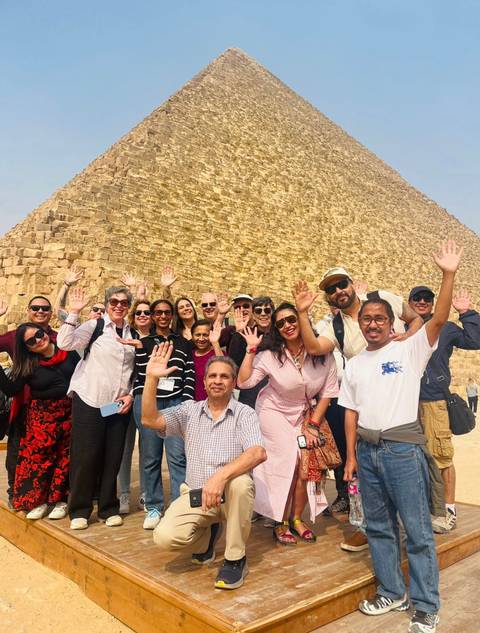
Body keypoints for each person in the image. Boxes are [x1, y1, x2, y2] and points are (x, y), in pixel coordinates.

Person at [340, 240, 463, 633]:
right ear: (360, 324)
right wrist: (351, 457)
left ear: (391, 323)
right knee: (377, 527)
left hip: (402, 451)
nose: (372, 324)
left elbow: (439, 320)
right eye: (367, 319)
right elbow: (351, 411)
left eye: (379, 318)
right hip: (368, 449)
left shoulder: (409, 350)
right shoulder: (355, 364)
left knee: (418, 532)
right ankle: (392, 591)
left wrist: (448, 275)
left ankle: (426, 605)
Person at [293, 270, 423, 552]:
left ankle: (414, 527)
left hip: (398, 394)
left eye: (342, 284)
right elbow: (315, 348)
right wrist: (302, 313)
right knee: (365, 470)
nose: (339, 291)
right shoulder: (335, 325)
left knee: (407, 465)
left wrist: (409, 338)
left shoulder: (382, 299)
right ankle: (368, 528)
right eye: (332, 289)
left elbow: (417, 318)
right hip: (365, 403)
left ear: (352, 283)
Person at [142, 346, 266, 590]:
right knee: (164, 537)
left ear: (233, 383)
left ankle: (235, 559)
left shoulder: (244, 413)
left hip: (230, 496)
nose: (217, 381)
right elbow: (149, 420)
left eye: (224, 376)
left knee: (241, 483)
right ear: (205, 381)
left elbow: (257, 452)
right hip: (197, 495)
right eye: (213, 376)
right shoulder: (189, 411)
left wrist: (220, 477)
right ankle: (208, 538)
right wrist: (151, 379)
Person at [237, 303, 338, 544]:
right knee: (289, 463)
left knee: (305, 464)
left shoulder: (323, 354)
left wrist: (313, 424)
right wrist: (251, 350)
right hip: (273, 412)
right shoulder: (269, 355)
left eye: (291, 319)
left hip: (304, 415)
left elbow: (328, 392)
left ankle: (296, 518)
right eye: (280, 323)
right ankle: (280, 520)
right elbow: (244, 383)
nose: (288, 326)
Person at [57, 286, 136, 530]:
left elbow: (135, 372)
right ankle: (79, 509)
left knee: (112, 456)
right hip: (90, 399)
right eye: (114, 301)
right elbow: (64, 342)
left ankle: (107, 507)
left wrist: (131, 395)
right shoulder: (96, 327)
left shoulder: (133, 333)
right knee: (85, 456)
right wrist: (74, 312)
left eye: (124, 302)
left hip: (116, 404)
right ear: (107, 303)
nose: (119, 305)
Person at [408, 285, 480, 533]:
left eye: (427, 298)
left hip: (434, 402)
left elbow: (474, 341)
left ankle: (448, 509)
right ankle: (426, 507)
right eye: (416, 298)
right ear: (409, 303)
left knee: (441, 457)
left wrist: (467, 312)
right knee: (413, 460)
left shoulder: (446, 329)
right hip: (405, 404)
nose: (422, 301)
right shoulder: (402, 329)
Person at [0, 324, 78, 519]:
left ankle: (60, 500)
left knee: (65, 458)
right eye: (31, 341)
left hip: (70, 414)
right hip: (42, 419)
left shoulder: (69, 352)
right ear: (26, 347)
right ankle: (37, 501)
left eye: (39, 334)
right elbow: (11, 389)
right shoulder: (29, 364)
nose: (38, 340)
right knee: (38, 460)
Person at [129, 298, 195, 530]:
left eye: (167, 312)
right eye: (158, 312)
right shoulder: (144, 343)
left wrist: (187, 402)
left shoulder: (184, 343)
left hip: (176, 401)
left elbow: (189, 373)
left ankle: (178, 507)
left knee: (177, 457)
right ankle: (154, 505)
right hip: (150, 402)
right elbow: (139, 376)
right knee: (150, 456)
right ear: (154, 316)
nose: (163, 316)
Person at [0, 295, 57, 508]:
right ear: (28, 310)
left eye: (45, 308)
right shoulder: (15, 336)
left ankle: (49, 493)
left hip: (53, 408)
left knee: (49, 453)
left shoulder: (58, 337)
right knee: (16, 451)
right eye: (35, 308)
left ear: (51, 312)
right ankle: (15, 491)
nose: (40, 311)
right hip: (23, 403)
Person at [116, 299, 152, 514]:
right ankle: (123, 494)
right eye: (138, 312)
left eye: (147, 312)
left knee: (147, 449)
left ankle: (146, 493)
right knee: (123, 448)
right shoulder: (125, 336)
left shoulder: (158, 340)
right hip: (121, 398)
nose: (142, 315)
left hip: (144, 398)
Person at [229, 296, 274, 408]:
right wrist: (239, 332)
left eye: (267, 310)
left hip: (274, 393)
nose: (263, 314)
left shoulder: (279, 334)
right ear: (253, 315)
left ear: (272, 313)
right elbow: (233, 361)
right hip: (250, 392)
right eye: (259, 311)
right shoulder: (248, 334)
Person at [191, 319, 223, 400]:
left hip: (214, 402)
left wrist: (215, 342)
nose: (201, 339)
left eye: (205, 335)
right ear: (192, 336)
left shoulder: (217, 352)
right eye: (198, 335)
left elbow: (224, 369)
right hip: (192, 405)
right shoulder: (189, 354)